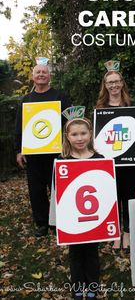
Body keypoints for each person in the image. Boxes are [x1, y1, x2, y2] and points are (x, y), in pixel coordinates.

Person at [96, 69, 135, 250]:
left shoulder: (133, 106)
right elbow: (96, 140)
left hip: (130, 164)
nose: (113, 85)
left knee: (128, 196)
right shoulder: (100, 109)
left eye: (116, 81)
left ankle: (127, 232)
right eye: (110, 82)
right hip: (108, 165)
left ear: (122, 83)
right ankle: (114, 232)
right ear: (105, 85)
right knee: (112, 198)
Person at [15, 64, 70, 237]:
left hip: (57, 153)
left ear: (49, 76)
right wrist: (19, 150)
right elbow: (19, 127)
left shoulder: (60, 96)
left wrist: (70, 146)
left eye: (44, 72)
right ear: (33, 76)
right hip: (33, 154)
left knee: (58, 189)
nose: (41, 75)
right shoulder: (26, 100)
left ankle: (58, 222)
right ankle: (42, 224)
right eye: (38, 72)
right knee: (36, 191)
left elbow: (70, 123)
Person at [60, 117, 103, 300]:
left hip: (94, 217)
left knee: (92, 252)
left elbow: (105, 190)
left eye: (83, 133)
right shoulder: (62, 161)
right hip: (73, 218)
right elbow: (58, 192)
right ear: (67, 137)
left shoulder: (100, 159)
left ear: (90, 134)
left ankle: (92, 286)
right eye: (74, 134)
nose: (79, 138)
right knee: (75, 253)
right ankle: (77, 288)